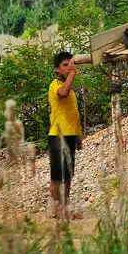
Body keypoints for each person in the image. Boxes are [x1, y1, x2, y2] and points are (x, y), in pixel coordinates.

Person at [48, 50, 83, 220]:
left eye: (71, 64)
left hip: (70, 135)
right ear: (57, 69)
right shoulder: (55, 85)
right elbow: (62, 93)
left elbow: (73, 113)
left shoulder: (71, 91)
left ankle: (65, 208)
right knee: (57, 175)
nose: (69, 67)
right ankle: (55, 209)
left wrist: (78, 136)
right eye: (65, 65)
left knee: (68, 174)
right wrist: (73, 73)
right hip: (57, 135)